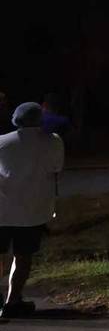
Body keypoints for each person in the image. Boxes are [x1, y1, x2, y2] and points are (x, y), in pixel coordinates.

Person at [0, 102, 65, 319]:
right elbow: (56, 169)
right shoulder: (53, 142)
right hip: (32, 211)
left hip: (2, 209)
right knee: (23, 256)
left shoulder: (2, 142)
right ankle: (13, 300)